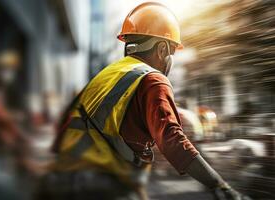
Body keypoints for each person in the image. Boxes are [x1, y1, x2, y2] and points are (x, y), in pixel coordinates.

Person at [37, 2, 250, 200]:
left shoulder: (105, 76)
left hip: (60, 182)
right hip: (104, 186)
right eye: (172, 51)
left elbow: (65, 125)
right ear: (163, 49)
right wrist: (218, 185)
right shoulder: (153, 80)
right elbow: (172, 140)